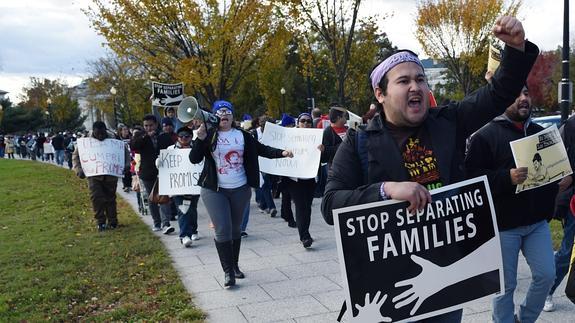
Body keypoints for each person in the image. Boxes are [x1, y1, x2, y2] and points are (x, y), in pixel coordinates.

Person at [321, 16, 538, 323]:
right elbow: (331, 205)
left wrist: (515, 50)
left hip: (444, 280)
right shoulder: (359, 142)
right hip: (387, 286)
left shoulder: (449, 121)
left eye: (420, 79)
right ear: (380, 95)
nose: (416, 87)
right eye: (404, 81)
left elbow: (498, 95)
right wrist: (387, 190)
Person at [465, 85, 557, 323]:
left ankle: (524, 319)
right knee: (504, 287)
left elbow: (552, 173)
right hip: (502, 226)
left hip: (537, 223)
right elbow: (471, 179)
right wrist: (507, 178)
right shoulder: (484, 136)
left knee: (547, 275)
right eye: (517, 94)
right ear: (502, 99)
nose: (523, 98)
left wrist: (561, 179)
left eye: (526, 93)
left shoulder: (540, 133)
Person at [189, 99, 293, 288]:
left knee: (236, 229)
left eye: (227, 112)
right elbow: (194, 158)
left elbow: (263, 150)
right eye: (220, 113)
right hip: (214, 190)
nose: (224, 115)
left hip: (240, 188)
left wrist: (282, 153)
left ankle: (235, 266)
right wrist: (200, 139)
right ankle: (228, 272)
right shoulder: (208, 135)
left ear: (232, 116)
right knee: (222, 229)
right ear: (214, 117)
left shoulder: (243, 136)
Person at [543, 113, 575, 312]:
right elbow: (554, 160)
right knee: (567, 251)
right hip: (573, 202)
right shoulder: (570, 126)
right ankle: (547, 289)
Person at [73, 121, 131, 231]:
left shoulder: (113, 139)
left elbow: (124, 151)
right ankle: (100, 221)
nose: (100, 136)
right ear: (93, 132)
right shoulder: (86, 140)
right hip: (93, 174)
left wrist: (126, 164)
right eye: (98, 134)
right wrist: (78, 169)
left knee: (110, 198)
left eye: (102, 134)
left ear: (105, 131)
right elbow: (76, 155)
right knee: (96, 198)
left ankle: (113, 220)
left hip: (110, 173)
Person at [131, 114, 173, 233]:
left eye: (151, 125)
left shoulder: (164, 136)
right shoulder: (140, 136)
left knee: (164, 195)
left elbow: (172, 149)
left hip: (163, 170)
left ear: (156, 124)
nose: (149, 128)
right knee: (152, 197)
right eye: (146, 126)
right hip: (148, 171)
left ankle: (166, 223)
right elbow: (134, 146)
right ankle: (157, 222)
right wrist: (145, 136)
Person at [284, 112, 320, 247]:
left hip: (310, 177)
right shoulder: (290, 136)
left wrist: (322, 150)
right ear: (298, 123)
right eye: (303, 121)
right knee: (300, 206)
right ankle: (304, 236)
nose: (306, 123)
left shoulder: (316, 137)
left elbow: (322, 157)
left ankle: (306, 230)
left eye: (308, 121)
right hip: (294, 178)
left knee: (307, 207)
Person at [167, 125, 201, 247]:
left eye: (187, 136)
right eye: (181, 136)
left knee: (192, 209)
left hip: (194, 185)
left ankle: (193, 230)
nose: (184, 138)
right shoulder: (171, 149)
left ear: (191, 137)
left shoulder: (197, 148)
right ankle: (184, 235)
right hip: (179, 186)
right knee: (183, 210)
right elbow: (166, 165)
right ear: (177, 137)